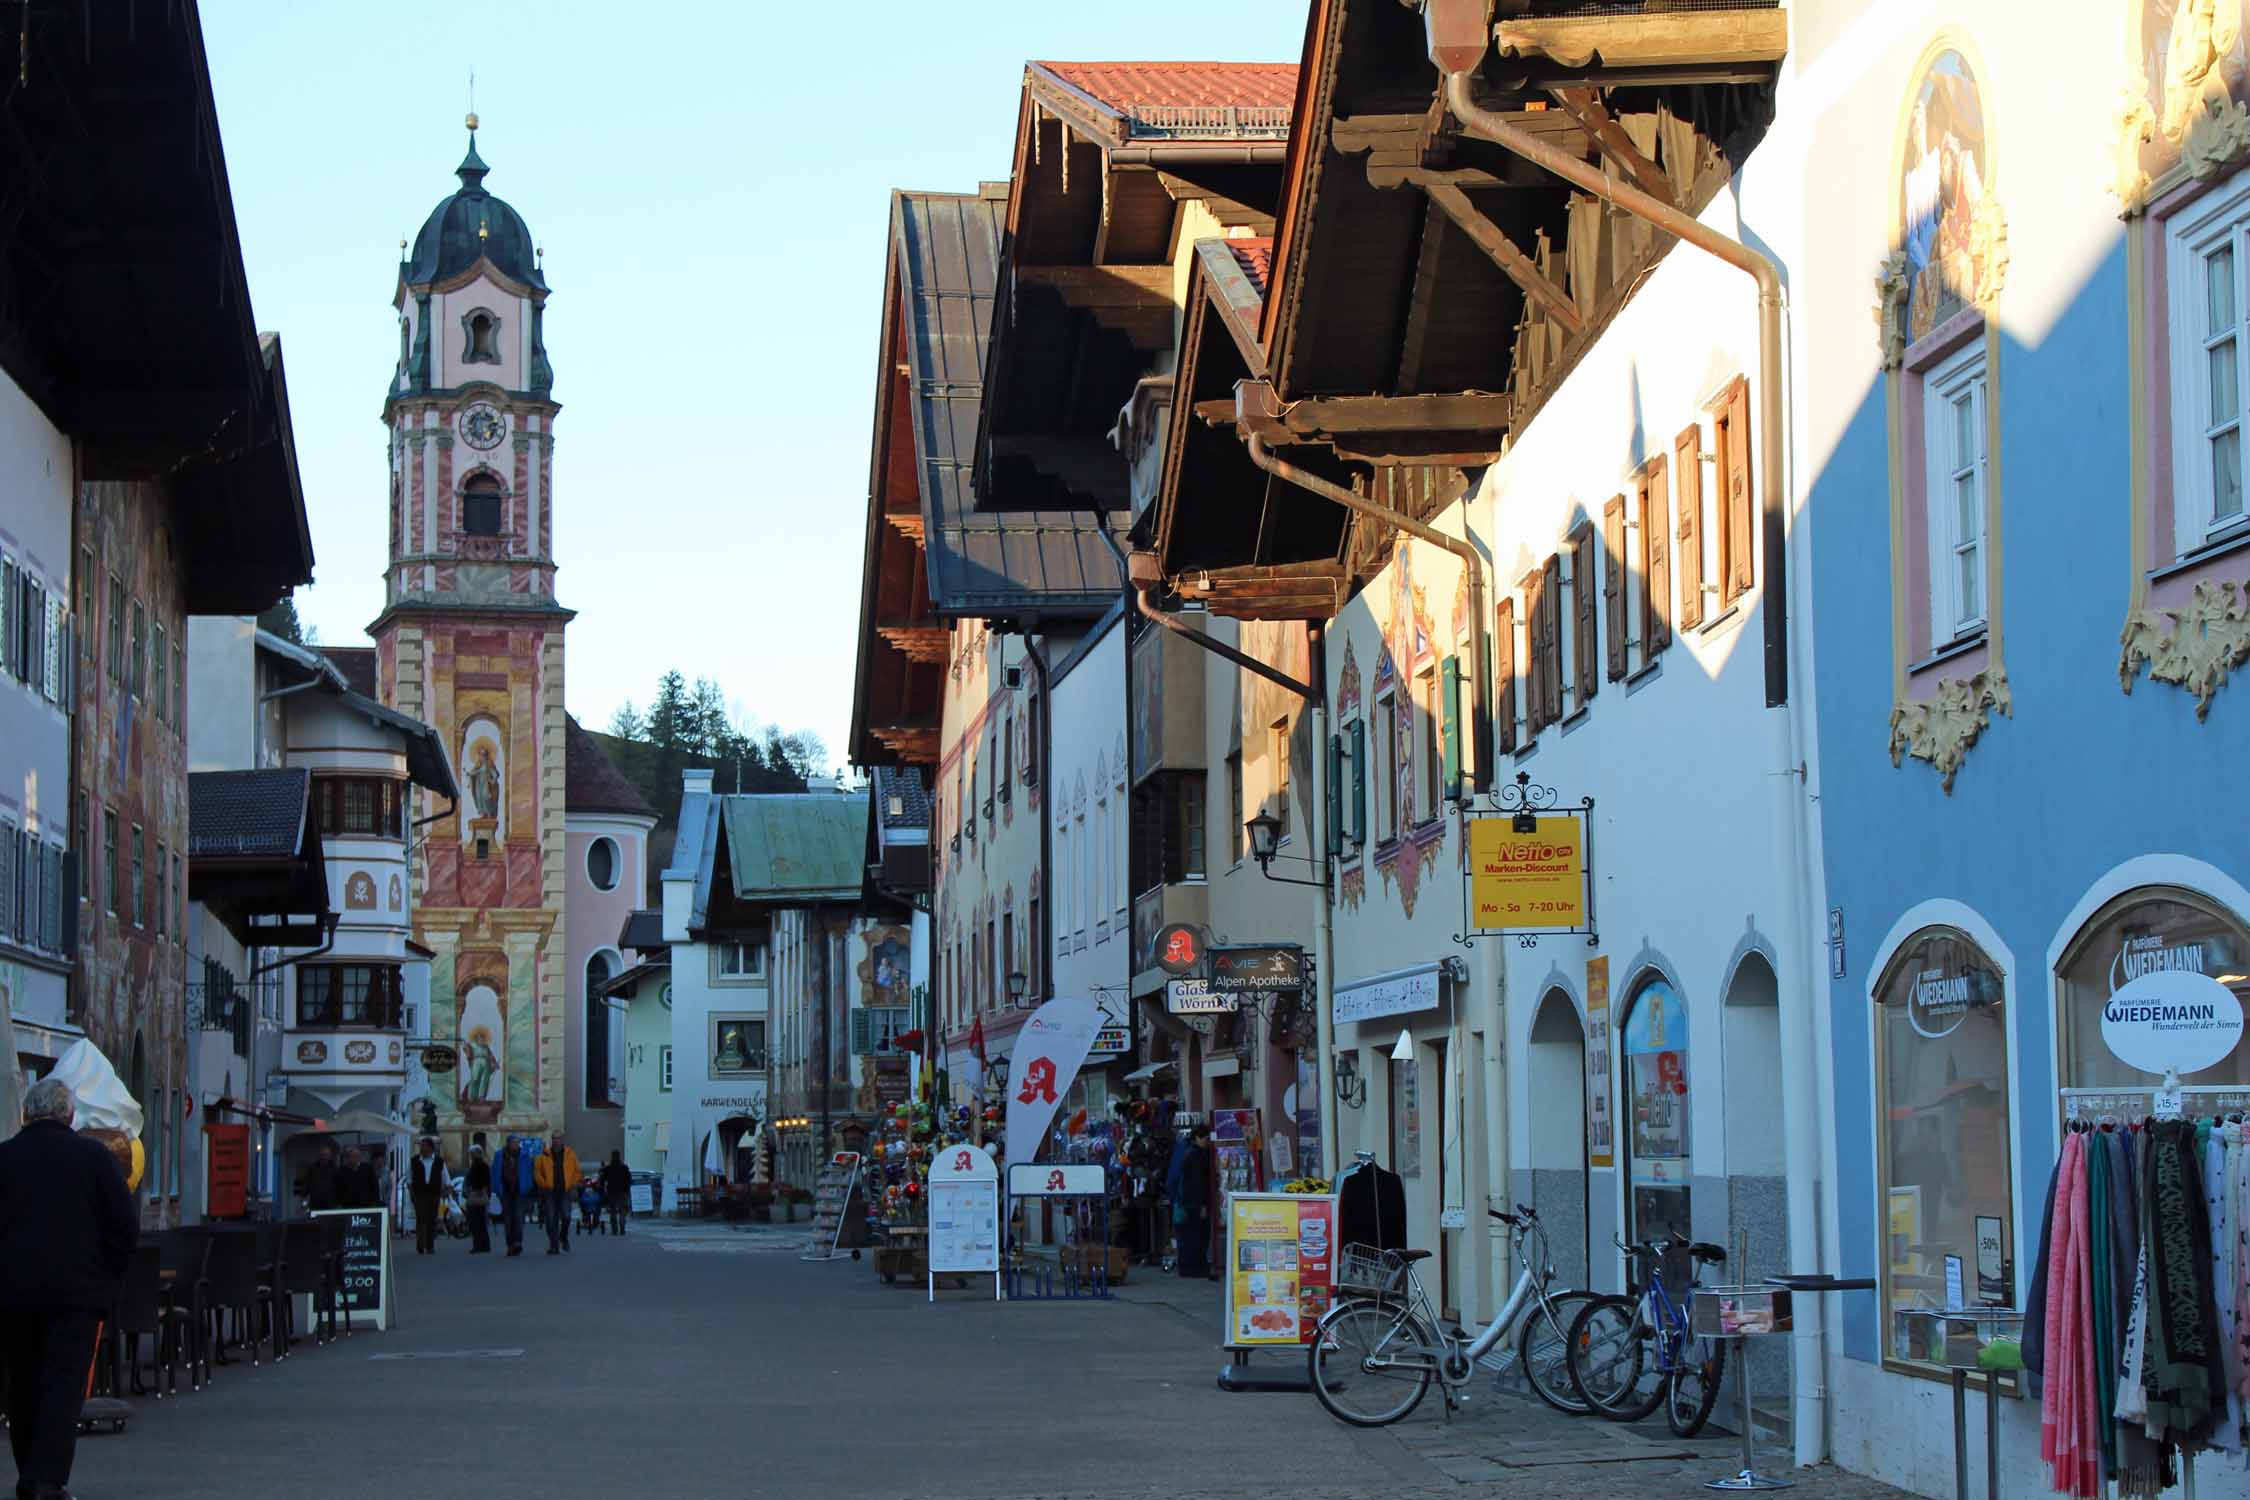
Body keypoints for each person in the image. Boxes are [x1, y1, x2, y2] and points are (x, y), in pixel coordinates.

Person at [0, 1078, 138, 1500]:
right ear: (69, 1115)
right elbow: (124, 1226)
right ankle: (46, 1479)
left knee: (23, 1387)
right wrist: (107, 1278)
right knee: (63, 1388)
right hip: (76, 1297)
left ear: (27, 1113)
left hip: (13, 1296)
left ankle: (30, 1473)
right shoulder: (93, 1158)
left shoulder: (4, 1158)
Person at [1175, 1123, 1214, 1279]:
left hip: (1189, 1203)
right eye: (1205, 1138)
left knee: (1191, 1236)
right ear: (1197, 1137)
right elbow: (1197, 1183)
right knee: (1198, 1236)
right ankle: (1195, 1267)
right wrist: (1203, 1205)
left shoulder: (1190, 1152)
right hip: (1194, 1204)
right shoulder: (1195, 1155)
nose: (1208, 1141)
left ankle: (1190, 1266)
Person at [534, 1135, 580, 1255]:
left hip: (565, 1191)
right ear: (551, 1140)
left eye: (558, 1138)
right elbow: (537, 1172)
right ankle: (554, 1245)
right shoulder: (544, 1155)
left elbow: (577, 1171)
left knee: (566, 1216)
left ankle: (563, 1237)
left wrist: (573, 1185)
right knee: (550, 1219)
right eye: (554, 1138)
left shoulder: (570, 1154)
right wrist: (543, 1184)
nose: (556, 1140)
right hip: (550, 1192)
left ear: (562, 1140)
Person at [408, 1137, 450, 1255]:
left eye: (424, 1145)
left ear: (431, 1148)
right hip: (419, 1194)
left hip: (434, 1194)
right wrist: (412, 1194)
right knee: (420, 1219)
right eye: (421, 1145)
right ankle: (420, 1244)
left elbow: (445, 1177)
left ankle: (430, 1245)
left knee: (431, 1220)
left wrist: (447, 1189)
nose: (422, 1148)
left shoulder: (439, 1161)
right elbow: (409, 1179)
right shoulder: (414, 1161)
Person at [496, 1136, 529, 1257]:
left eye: (517, 1143)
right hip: (505, 1190)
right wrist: (497, 1188)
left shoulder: (524, 1156)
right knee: (508, 1219)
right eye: (514, 1143)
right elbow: (495, 1171)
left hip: (519, 1190)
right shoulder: (500, 1155)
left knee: (519, 1218)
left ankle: (517, 1242)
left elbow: (528, 1171)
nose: (516, 1145)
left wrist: (527, 1186)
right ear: (508, 1143)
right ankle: (510, 1244)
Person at [463, 1143, 493, 1254]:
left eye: (473, 1153)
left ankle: (479, 1245)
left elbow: (485, 1182)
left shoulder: (481, 1166)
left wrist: (482, 1193)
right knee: (479, 1222)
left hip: (478, 1195)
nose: (471, 1155)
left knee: (477, 1222)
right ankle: (483, 1245)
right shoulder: (477, 1165)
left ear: (478, 1153)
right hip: (477, 1194)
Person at [300, 1142, 340, 1213]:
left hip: (330, 1203)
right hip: (316, 1203)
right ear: (319, 1155)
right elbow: (306, 1185)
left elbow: (339, 1185)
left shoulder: (335, 1168)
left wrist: (338, 1202)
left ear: (330, 1156)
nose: (324, 1157)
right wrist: (304, 1202)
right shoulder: (312, 1168)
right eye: (323, 1155)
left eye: (326, 1155)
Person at [601, 1151, 632, 1235]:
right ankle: (622, 1229)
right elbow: (629, 1180)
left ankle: (614, 1230)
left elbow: (602, 1179)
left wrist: (603, 1188)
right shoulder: (624, 1168)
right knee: (622, 1211)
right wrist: (627, 1189)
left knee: (613, 1211)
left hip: (612, 1192)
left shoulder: (608, 1168)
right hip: (623, 1192)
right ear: (619, 1156)